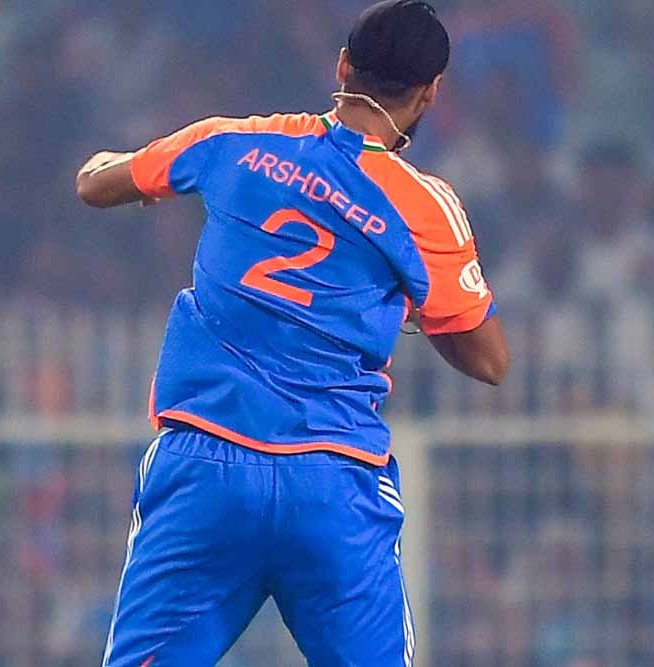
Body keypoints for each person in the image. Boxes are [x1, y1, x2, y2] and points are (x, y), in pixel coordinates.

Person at [75, 2, 509, 665]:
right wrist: (406, 305)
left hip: (206, 468)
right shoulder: (424, 206)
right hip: (334, 482)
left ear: (342, 66)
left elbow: (95, 185)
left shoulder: (231, 142)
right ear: (430, 93)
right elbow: (489, 359)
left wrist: (112, 161)